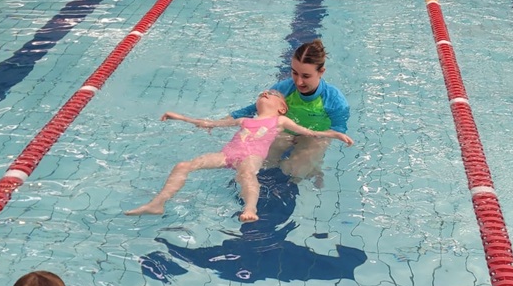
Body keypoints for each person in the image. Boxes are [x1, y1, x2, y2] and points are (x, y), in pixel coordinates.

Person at [125, 90, 353, 222]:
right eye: (263, 92)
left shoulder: (280, 121)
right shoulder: (245, 120)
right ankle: (157, 203)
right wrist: (179, 117)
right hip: (228, 155)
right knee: (184, 165)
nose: (266, 93)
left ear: (282, 108)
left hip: (250, 157)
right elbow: (209, 123)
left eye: (272, 94)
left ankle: (250, 209)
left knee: (246, 174)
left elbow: (309, 132)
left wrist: (334, 134)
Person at [226, 40, 350, 181]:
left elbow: (338, 130)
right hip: (285, 131)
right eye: (294, 73)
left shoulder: (335, 101)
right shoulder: (285, 88)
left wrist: (313, 143)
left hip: (315, 136)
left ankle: (315, 168)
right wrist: (225, 119)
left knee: (295, 171)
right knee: (262, 162)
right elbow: (256, 108)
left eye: (306, 76)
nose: (298, 82)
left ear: (321, 72)